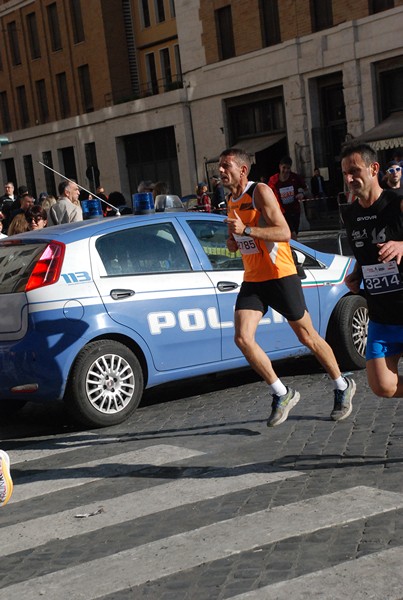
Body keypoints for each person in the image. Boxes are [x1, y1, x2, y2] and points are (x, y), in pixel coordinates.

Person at [221, 147, 356, 426]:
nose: (220, 171)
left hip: (281, 275)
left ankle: (342, 385)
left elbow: (283, 232)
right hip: (254, 279)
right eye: (220, 167)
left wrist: (246, 231)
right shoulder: (229, 199)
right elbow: (238, 239)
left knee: (307, 337)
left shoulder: (259, 192)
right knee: (243, 339)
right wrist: (233, 242)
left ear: (243, 170)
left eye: (226, 166)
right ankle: (282, 393)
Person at [341, 142, 403, 400]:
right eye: (345, 173)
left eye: (354, 171)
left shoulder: (396, 203)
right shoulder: (351, 214)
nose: (349, 178)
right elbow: (365, 253)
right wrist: (357, 273)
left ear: (374, 168)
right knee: (382, 386)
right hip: (380, 315)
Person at [268, 156, 310, 239]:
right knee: (292, 235)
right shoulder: (273, 180)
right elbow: (268, 193)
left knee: (294, 235)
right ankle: (293, 251)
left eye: (288, 168)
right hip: (281, 212)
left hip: (295, 210)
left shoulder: (295, 177)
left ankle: (291, 250)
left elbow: (306, 189)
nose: (286, 170)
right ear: (279, 166)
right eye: (284, 168)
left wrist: (302, 193)